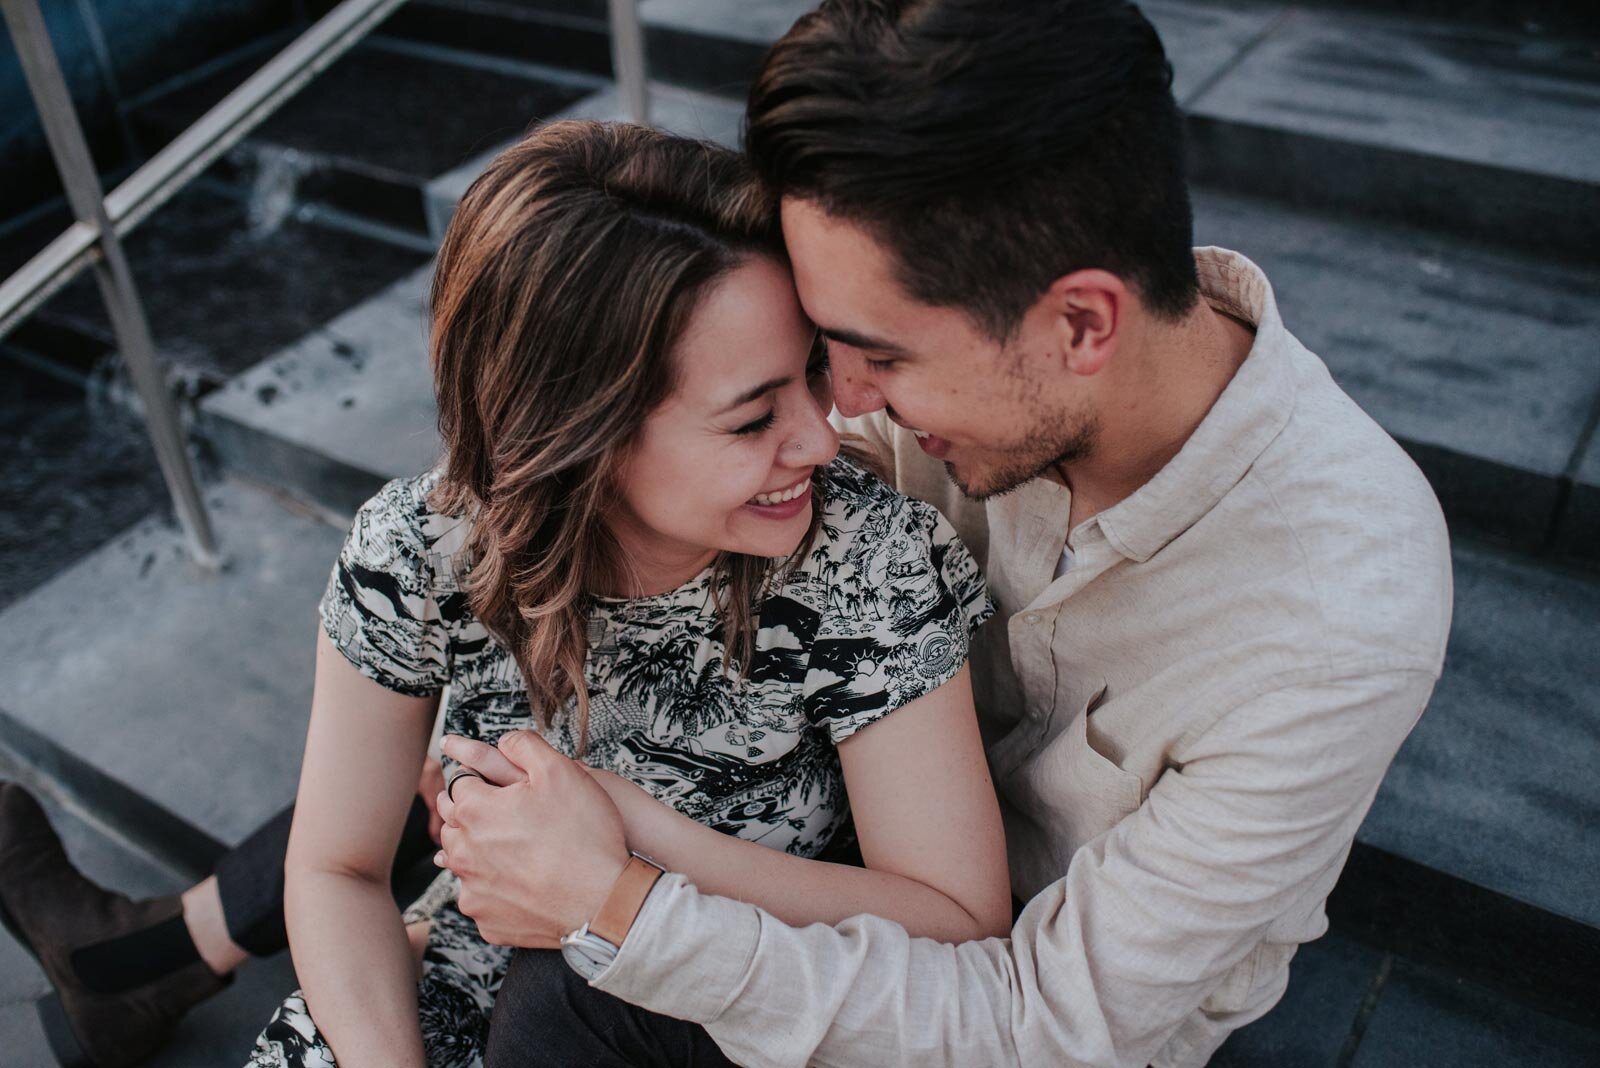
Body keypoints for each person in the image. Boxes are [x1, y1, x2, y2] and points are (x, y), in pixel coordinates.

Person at [437, 1, 1454, 1066]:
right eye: (827, 344)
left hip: (1026, 1012)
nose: (840, 406)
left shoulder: (1340, 618)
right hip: (841, 842)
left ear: (1081, 324)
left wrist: (621, 902)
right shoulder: (941, 375)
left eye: (879, 356)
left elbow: (1039, 1026)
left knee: (573, 992)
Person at [234, 117, 1003, 1068]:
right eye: (753, 416)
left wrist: (629, 839)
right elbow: (337, 869)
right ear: (581, 434)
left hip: (713, 1023)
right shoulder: (418, 551)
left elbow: (958, 924)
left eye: (809, 372)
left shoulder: (867, 560)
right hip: (458, 1003)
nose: (819, 435)